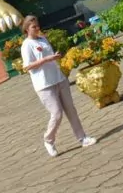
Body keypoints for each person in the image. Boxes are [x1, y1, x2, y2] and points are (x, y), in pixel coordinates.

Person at [20, 15, 97, 157]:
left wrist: (55, 57)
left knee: (71, 109)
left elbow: (50, 57)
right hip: (44, 85)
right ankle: (48, 140)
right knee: (56, 113)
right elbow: (27, 67)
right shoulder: (26, 45)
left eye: (37, 26)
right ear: (26, 29)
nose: (37, 29)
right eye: (33, 27)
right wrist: (46, 59)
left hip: (59, 79)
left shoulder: (43, 39)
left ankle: (83, 138)